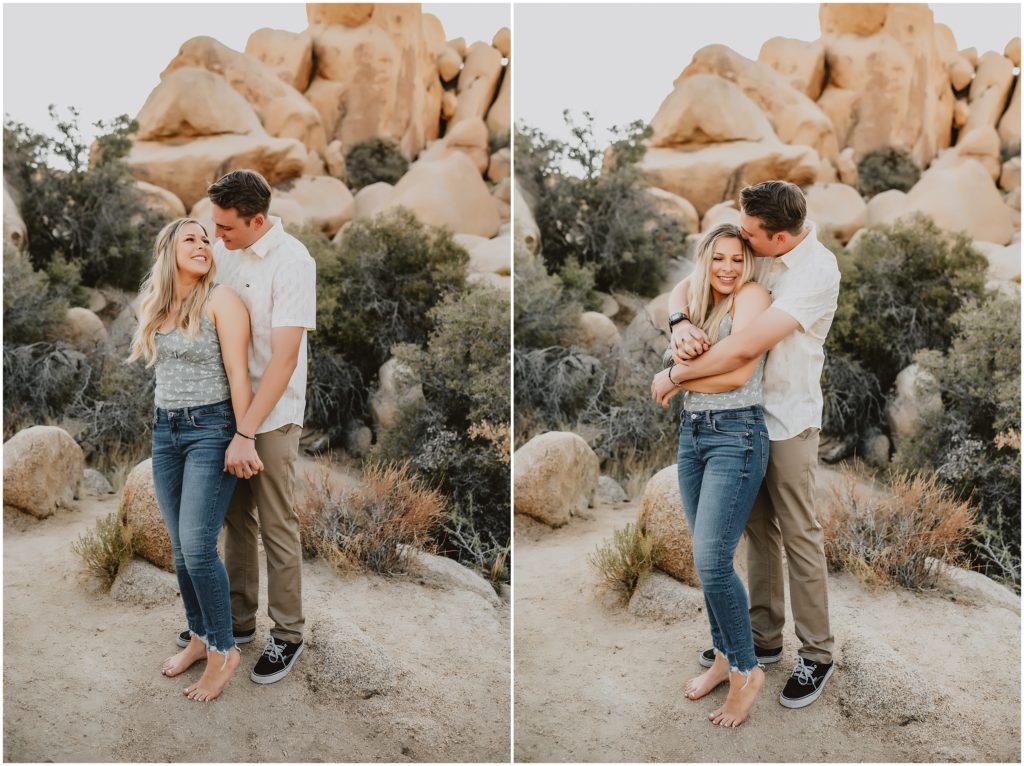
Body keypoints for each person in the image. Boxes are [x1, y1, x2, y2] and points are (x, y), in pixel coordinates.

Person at [656, 180, 841, 711]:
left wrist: (675, 374)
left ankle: (818, 655)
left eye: (752, 233)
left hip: (788, 421)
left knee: (799, 535)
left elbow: (744, 349)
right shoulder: (761, 253)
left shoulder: (814, 271)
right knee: (759, 534)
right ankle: (761, 638)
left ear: (779, 237)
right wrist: (679, 322)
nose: (744, 239)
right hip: (745, 421)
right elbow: (692, 277)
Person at [129, 217, 257, 701]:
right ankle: (200, 638)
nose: (204, 245)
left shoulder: (220, 300)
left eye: (207, 239)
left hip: (212, 430)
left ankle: (225, 651)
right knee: (181, 551)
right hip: (166, 432)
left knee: (199, 547)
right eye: (192, 239)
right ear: (169, 251)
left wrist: (244, 435)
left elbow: (239, 375)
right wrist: (164, 428)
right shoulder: (159, 307)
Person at [650, 223, 772, 727]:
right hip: (693, 435)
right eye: (718, 258)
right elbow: (679, 289)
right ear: (705, 259)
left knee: (713, 559)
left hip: (736, 437)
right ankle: (723, 656)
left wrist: (676, 375)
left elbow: (741, 371)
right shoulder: (695, 297)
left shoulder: (753, 297)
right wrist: (678, 323)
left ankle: (748, 670)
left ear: (749, 265)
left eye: (736, 260)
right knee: (707, 563)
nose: (727, 268)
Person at [202, 169, 316, 685]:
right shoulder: (226, 250)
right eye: (215, 225)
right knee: (235, 519)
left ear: (258, 220)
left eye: (226, 227)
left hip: (271, 415)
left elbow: (284, 359)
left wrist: (247, 432)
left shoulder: (294, 262)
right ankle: (239, 622)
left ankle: (288, 635)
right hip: (228, 408)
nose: (217, 235)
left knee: (276, 523)